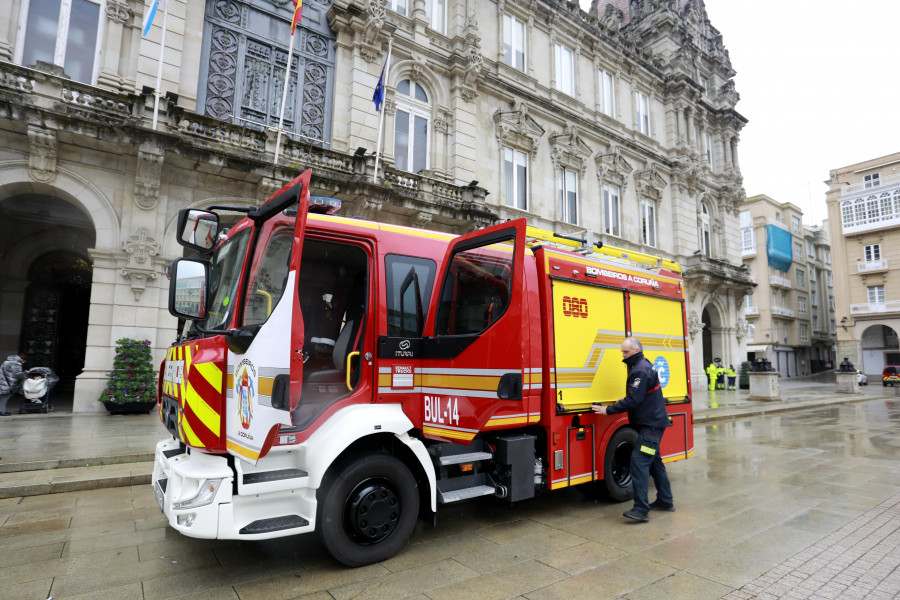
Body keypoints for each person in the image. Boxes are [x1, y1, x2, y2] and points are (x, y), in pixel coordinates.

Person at [592, 337, 674, 522]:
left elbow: (635, 400)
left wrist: (609, 410)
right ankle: (665, 500)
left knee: (639, 463)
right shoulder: (642, 365)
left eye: (626, 352)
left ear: (636, 351)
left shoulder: (640, 370)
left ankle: (641, 510)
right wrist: (627, 397)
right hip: (652, 423)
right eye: (622, 351)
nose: (623, 355)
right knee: (654, 462)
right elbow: (639, 394)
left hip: (650, 426)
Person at [0, 351, 28, 416]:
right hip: (7, 382)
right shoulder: (17, 363)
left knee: (4, 396)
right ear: (22, 359)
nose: (23, 363)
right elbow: (17, 374)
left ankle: (2, 410)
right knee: (5, 396)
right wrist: (25, 373)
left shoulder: (6, 361)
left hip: (3, 380)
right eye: (24, 361)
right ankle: (1, 411)